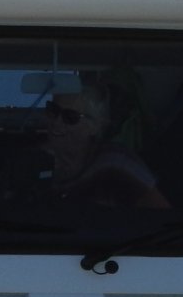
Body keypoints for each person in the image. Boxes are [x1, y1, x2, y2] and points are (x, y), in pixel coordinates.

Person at [35, 80, 170, 210]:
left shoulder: (117, 163)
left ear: (94, 126)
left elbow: (161, 213)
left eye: (70, 117)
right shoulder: (35, 159)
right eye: (53, 110)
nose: (56, 122)